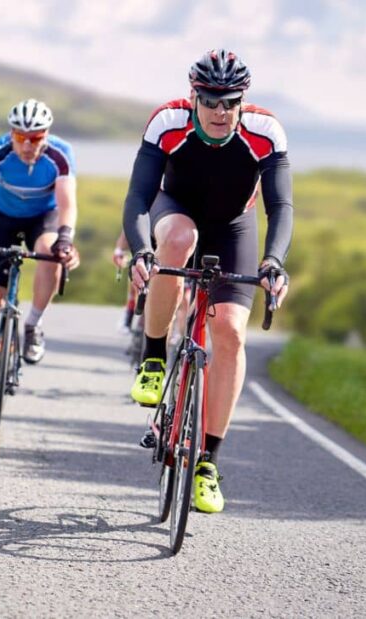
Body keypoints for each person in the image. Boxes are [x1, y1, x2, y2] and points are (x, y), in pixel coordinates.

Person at [122, 49, 293, 513]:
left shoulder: (264, 132)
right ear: (193, 96)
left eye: (230, 101)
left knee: (231, 332)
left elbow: (280, 207)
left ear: (243, 100)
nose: (220, 111)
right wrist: (141, 250)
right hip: (174, 208)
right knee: (178, 238)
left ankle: (207, 463)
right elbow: (139, 195)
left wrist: (273, 261)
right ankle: (154, 358)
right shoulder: (168, 121)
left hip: (234, 224)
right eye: (211, 100)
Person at [0, 98, 80, 423]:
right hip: (1, 218)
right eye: (20, 137)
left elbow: (67, 205)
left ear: (46, 135)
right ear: (11, 134)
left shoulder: (61, 154)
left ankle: (33, 325)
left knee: (51, 251)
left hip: (44, 216)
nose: (26, 145)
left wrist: (66, 238)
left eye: (35, 138)